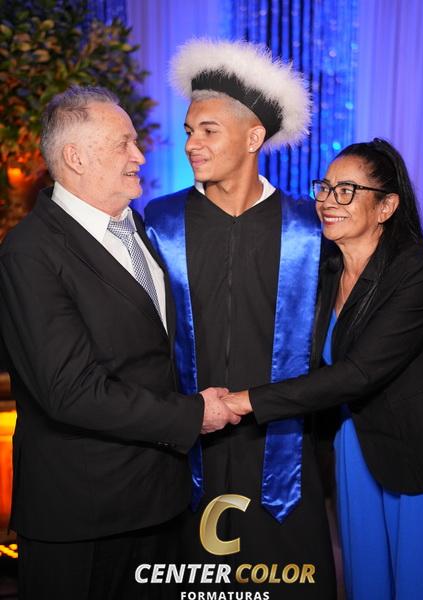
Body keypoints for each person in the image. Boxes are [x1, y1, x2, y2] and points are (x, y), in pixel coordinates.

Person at [0, 85, 239, 600]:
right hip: (85, 518)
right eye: (123, 144)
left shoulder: (137, 228)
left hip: (160, 503)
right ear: (75, 158)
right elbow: (71, 392)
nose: (140, 156)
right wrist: (194, 415)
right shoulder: (30, 252)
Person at [145, 39, 336, 598]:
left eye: (208, 130)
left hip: (284, 459)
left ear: (254, 138)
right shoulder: (160, 223)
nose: (191, 144)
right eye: (188, 130)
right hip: (186, 452)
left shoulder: (309, 230)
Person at [224, 139, 423, 600]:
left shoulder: (417, 274)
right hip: (355, 448)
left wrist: (246, 401)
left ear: (386, 206)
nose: (328, 201)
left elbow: (358, 374)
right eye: (325, 187)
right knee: (366, 584)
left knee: (419, 585)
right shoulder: (327, 269)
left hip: (418, 454)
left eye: (346, 191)